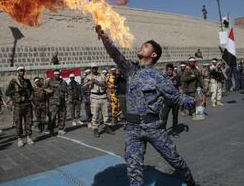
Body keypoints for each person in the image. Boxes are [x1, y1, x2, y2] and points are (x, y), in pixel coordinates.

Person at [95, 25, 196, 186]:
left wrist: (190, 101)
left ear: (153, 54)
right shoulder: (130, 70)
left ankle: (190, 180)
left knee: (174, 159)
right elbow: (116, 55)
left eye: (146, 46)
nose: (142, 46)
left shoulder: (158, 76)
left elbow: (175, 96)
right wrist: (104, 38)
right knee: (134, 169)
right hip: (132, 129)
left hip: (153, 127)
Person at [5, 66, 34, 147]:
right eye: (20, 71)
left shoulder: (27, 81)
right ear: (17, 72)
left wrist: (31, 96)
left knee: (28, 121)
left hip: (27, 104)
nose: (22, 72)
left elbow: (31, 90)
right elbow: (7, 93)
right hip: (18, 105)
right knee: (18, 122)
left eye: (23, 71)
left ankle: (29, 137)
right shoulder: (13, 81)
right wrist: (16, 91)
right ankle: (19, 138)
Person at [83, 63, 114, 137]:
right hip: (94, 97)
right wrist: (88, 84)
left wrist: (103, 86)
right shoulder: (88, 77)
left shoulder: (102, 76)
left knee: (106, 114)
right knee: (95, 114)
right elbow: (83, 88)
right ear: (91, 69)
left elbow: (106, 85)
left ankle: (107, 127)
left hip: (103, 96)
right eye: (93, 68)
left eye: (96, 68)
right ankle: (95, 129)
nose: (94, 69)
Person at [47, 69, 69, 136]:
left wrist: (66, 98)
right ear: (54, 74)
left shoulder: (63, 82)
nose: (57, 75)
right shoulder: (50, 81)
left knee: (62, 116)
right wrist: (48, 91)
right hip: (53, 103)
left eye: (58, 74)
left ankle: (61, 129)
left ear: (60, 74)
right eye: (56, 74)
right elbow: (44, 88)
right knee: (52, 117)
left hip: (62, 102)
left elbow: (67, 90)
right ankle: (51, 130)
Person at [161, 63, 180, 136]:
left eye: (170, 70)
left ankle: (175, 131)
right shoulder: (163, 78)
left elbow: (179, 87)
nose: (169, 71)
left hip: (175, 100)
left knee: (175, 116)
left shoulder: (177, 77)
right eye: (167, 70)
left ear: (172, 70)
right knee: (164, 116)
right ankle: (163, 131)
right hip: (166, 100)